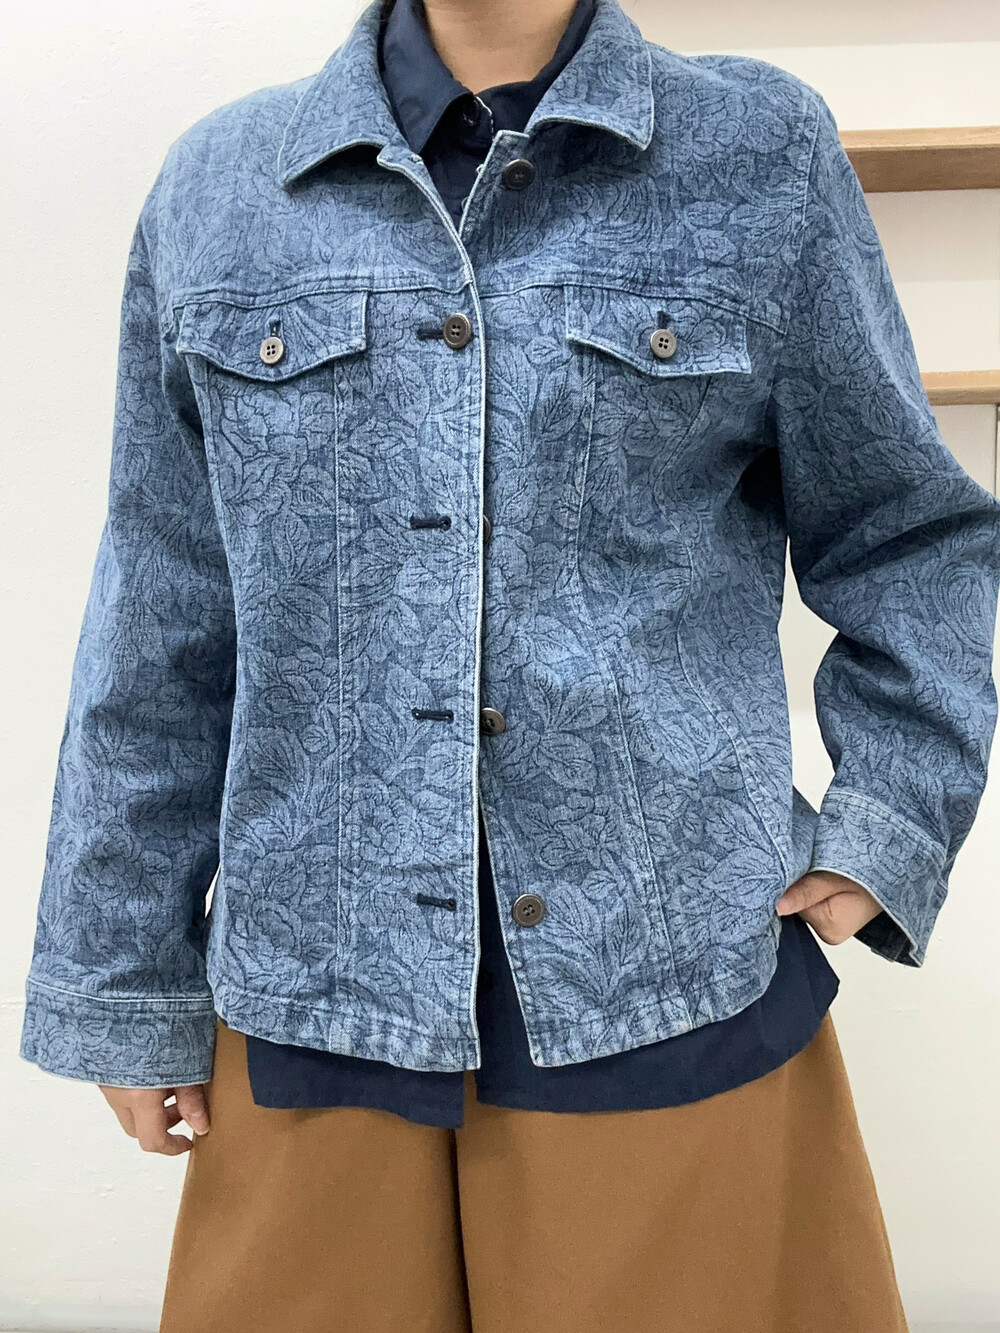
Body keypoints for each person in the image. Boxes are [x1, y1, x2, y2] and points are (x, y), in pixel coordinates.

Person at [20, 0, 1000, 1329]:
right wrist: (122, 980)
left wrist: (889, 820)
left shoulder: (757, 152)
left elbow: (906, 532)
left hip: (670, 988)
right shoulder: (220, 188)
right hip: (317, 1004)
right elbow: (162, 615)